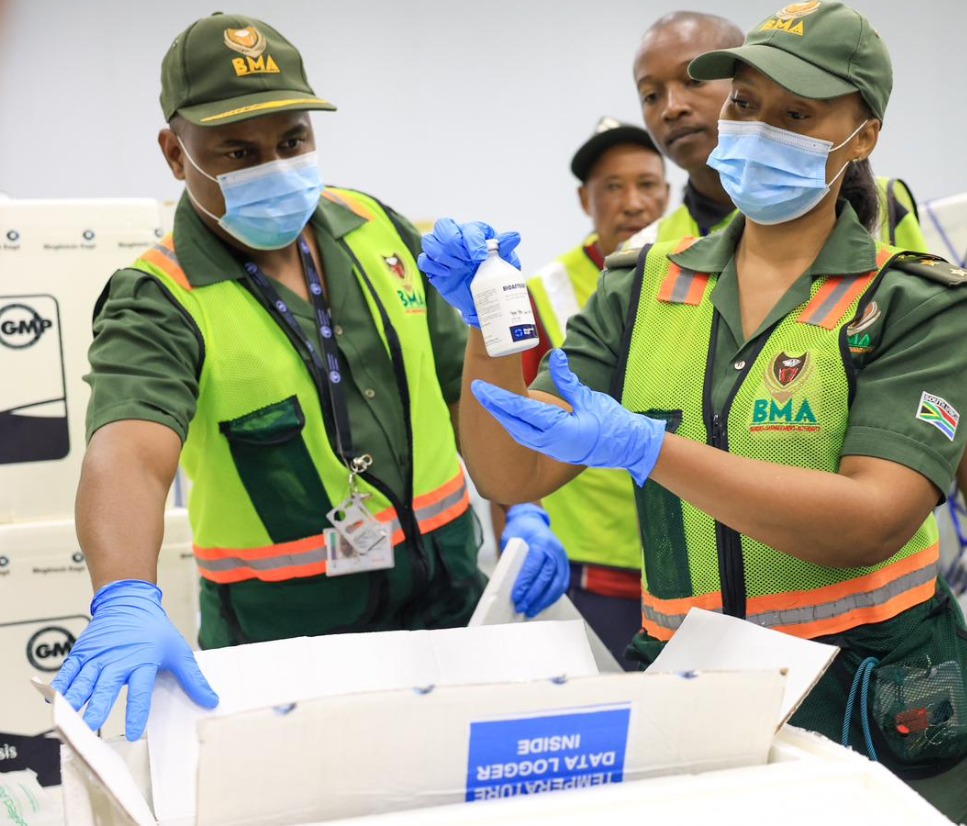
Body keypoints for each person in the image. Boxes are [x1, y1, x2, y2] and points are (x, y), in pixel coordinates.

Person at [418, 2, 967, 819]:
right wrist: (486, 324)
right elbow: (512, 472)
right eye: (744, 104)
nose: (757, 130)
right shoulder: (641, 283)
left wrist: (648, 449)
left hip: (867, 694)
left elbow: (869, 520)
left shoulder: (910, 302)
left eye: (796, 115)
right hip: (691, 691)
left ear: (862, 137)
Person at [51, 12, 568, 742]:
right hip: (285, 641)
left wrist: (520, 511)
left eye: (292, 141)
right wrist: (126, 596)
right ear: (174, 152)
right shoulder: (160, 297)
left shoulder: (376, 228)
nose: (274, 168)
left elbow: (469, 392)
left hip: (452, 609)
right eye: (238, 151)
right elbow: (130, 451)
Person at [520, 117, 668, 665]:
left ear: (668, 193)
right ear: (586, 199)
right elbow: (515, 428)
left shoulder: (704, 275)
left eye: (647, 184)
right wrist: (523, 524)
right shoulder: (541, 292)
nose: (633, 203)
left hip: (695, 554)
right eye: (612, 187)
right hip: (593, 567)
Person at [631, 10, 928, 251]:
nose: (672, 108)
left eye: (693, 82)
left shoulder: (884, 205)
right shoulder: (646, 250)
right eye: (650, 96)